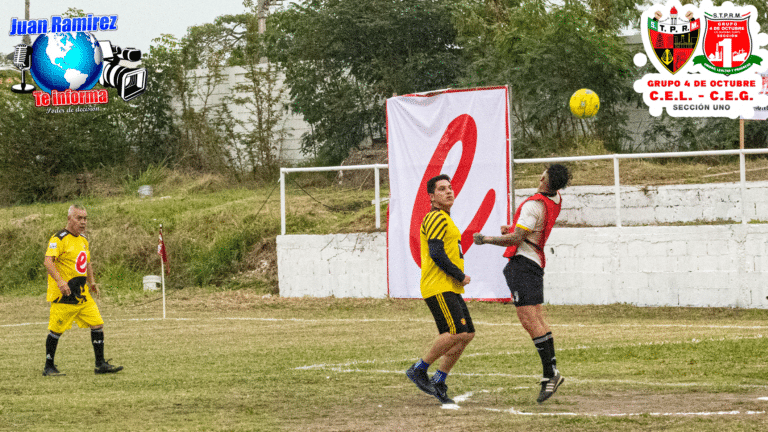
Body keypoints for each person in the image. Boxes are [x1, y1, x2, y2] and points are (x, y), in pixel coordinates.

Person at [473, 164, 570, 403]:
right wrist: (515, 230)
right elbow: (525, 231)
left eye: (544, 174)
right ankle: (552, 371)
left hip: (523, 264)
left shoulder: (533, 205)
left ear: (546, 181)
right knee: (537, 319)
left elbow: (516, 238)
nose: (540, 176)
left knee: (529, 320)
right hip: (535, 261)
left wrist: (485, 239)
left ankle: (550, 374)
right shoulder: (555, 199)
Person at [406, 174, 474, 405]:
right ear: (432, 196)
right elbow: (436, 253)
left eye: (450, 187)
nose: (448, 191)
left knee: (467, 334)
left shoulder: (445, 218)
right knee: (455, 331)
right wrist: (459, 275)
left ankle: (439, 378)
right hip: (438, 285)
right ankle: (419, 369)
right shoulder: (435, 217)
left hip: (449, 286)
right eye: (442, 189)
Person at [42, 204, 123, 376]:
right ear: (70, 218)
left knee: (97, 324)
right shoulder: (59, 239)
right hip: (64, 295)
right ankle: (49, 367)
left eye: (85, 218)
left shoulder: (83, 240)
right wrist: (60, 282)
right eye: (79, 218)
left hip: (82, 294)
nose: (83, 222)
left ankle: (100, 364)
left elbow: (87, 263)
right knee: (56, 330)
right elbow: (48, 262)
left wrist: (92, 282)